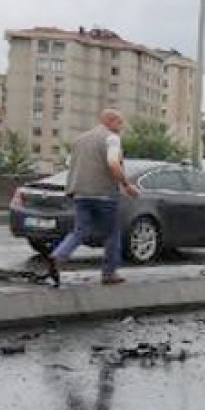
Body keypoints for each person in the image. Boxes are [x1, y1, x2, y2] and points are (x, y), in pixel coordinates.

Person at [48, 109, 139, 285]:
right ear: (110, 121)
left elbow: (70, 164)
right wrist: (126, 185)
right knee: (112, 233)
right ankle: (109, 273)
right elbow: (113, 164)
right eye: (119, 122)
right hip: (104, 194)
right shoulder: (111, 138)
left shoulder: (80, 139)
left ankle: (58, 256)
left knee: (79, 231)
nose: (121, 127)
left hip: (80, 193)